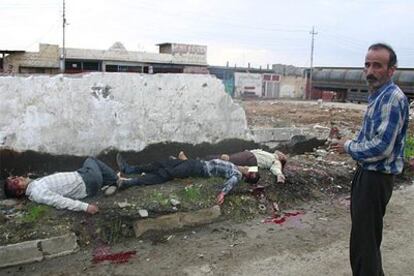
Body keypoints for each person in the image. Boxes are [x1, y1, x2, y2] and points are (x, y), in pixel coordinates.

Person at [331, 43, 409, 275]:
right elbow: (371, 136)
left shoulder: (392, 98)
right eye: (367, 64)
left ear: (391, 70)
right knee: (363, 242)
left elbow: (382, 147)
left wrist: (348, 146)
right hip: (366, 174)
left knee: (365, 245)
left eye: (377, 65)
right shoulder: (378, 95)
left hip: (376, 178)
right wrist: (351, 143)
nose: (370, 71)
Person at [116, 153, 260, 205]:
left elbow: (231, 183)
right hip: (195, 163)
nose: (248, 168)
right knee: (160, 163)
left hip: (198, 169)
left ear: (250, 175)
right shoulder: (238, 167)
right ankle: (130, 169)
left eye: (251, 170)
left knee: (165, 173)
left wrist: (222, 193)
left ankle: (128, 183)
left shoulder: (237, 175)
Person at [4, 157, 121, 214]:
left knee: (99, 172)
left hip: (83, 176)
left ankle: (122, 182)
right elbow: (59, 201)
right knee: (90, 160)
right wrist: (85, 207)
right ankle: (116, 179)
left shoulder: (35, 185)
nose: (18, 177)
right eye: (15, 182)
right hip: (88, 181)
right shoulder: (38, 192)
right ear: (19, 192)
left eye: (15, 177)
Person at [203, 149, 287, 183]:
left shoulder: (276, 161)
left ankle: (205, 160)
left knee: (228, 160)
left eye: (283, 155)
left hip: (251, 159)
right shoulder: (271, 154)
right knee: (228, 159)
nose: (281, 153)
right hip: (249, 156)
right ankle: (206, 159)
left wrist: (279, 175)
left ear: (281, 159)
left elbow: (276, 169)